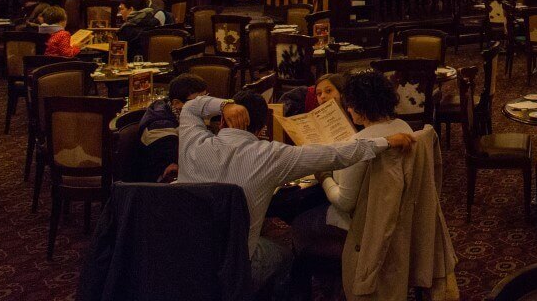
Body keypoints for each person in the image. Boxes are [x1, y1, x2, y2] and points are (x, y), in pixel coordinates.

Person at [177, 90, 414, 298]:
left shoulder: (191, 143)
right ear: (262, 128)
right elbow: (336, 154)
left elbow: (190, 106)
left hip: (181, 259)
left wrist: (224, 104)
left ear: (221, 123)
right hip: (235, 269)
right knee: (285, 257)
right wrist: (384, 142)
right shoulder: (272, 156)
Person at [292, 71, 413, 249]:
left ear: (360, 107)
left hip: (363, 224)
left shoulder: (358, 144)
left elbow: (344, 203)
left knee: (300, 222)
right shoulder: (404, 127)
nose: (348, 108)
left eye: (350, 104)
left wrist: (323, 177)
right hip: (399, 215)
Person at [136, 73, 207, 183]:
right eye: (197, 103)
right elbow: (188, 159)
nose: (204, 107)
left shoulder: (173, 109)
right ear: (177, 103)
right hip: (158, 187)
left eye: (205, 100)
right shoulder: (160, 126)